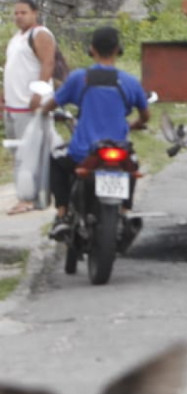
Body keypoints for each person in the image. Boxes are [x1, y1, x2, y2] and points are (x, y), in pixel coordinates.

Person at [33, 27, 149, 239]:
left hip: (83, 153)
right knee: (132, 166)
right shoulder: (130, 81)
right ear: (118, 49)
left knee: (55, 159)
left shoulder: (79, 78)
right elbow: (145, 115)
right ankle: (124, 213)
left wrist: (41, 111)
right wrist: (134, 125)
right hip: (119, 150)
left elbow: (53, 103)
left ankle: (62, 214)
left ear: (92, 49)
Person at [3, 0, 57, 215]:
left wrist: (39, 91)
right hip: (13, 106)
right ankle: (31, 195)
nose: (18, 16)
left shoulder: (40, 34)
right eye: (16, 13)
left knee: (29, 155)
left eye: (23, 12)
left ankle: (28, 198)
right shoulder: (17, 39)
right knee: (20, 154)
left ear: (34, 13)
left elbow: (48, 63)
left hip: (30, 106)